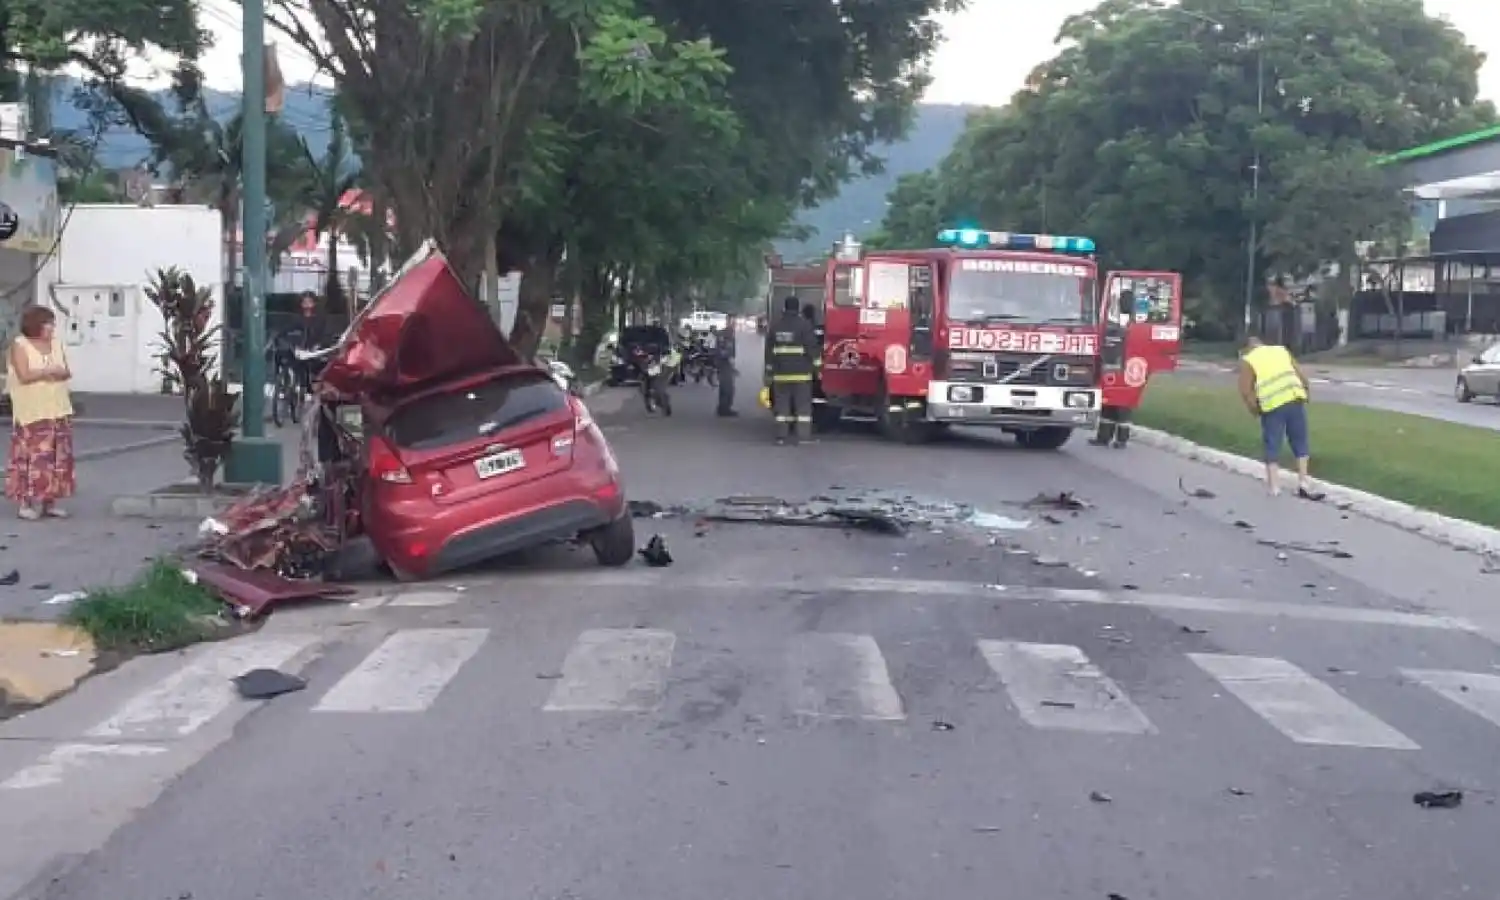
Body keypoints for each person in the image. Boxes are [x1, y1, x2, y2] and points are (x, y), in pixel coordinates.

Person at [5, 306, 74, 520]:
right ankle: (25, 503)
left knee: (56, 457)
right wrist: (47, 372)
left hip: (57, 408)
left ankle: (49, 502)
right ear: (36, 324)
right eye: (48, 323)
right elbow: (24, 375)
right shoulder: (20, 345)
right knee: (32, 457)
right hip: (32, 411)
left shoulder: (56, 344)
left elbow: (66, 371)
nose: (52, 328)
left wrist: (58, 373)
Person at [1239, 336, 1323, 499]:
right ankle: (1303, 482)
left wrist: (1255, 410)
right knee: (1300, 440)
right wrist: (1306, 393)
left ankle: (1274, 486)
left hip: (1272, 405)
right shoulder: (1281, 350)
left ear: (1247, 348)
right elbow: (1300, 375)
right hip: (1294, 398)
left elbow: (1245, 390)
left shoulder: (1249, 360)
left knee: (1272, 444)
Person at [766, 295, 817, 444]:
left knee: (782, 408)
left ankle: (781, 437)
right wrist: (818, 367)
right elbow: (811, 348)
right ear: (798, 308)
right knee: (802, 408)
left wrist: (769, 371)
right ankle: (803, 437)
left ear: (785, 308)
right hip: (801, 376)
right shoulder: (804, 325)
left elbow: (769, 351)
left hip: (780, 375)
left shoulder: (776, 326)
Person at [715, 315, 738, 416]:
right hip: (723, 363)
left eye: (734, 322)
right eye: (732, 322)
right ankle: (724, 409)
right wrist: (729, 360)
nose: (734, 324)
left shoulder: (729, 334)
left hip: (725, 363)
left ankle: (723, 408)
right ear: (727, 321)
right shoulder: (725, 334)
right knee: (727, 388)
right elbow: (722, 351)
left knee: (726, 387)